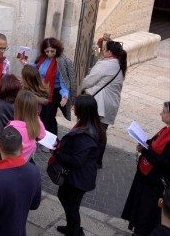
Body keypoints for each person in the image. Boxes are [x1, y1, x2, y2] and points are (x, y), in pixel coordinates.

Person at [51, 96, 105, 236]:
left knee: (72, 205)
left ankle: (75, 231)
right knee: (68, 200)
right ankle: (71, 228)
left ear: (83, 110)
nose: (73, 108)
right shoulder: (93, 126)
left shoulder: (86, 135)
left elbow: (76, 161)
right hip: (81, 175)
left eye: (76, 106)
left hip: (78, 179)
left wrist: (56, 153)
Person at [123, 102, 170, 236]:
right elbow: (153, 143)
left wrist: (146, 151)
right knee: (140, 209)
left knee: (147, 213)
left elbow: (165, 162)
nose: (161, 113)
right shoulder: (165, 129)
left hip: (154, 184)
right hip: (146, 179)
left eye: (164, 112)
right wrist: (145, 143)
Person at [81, 39, 126, 167]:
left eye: (105, 49)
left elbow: (89, 81)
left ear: (110, 52)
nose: (103, 51)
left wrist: (79, 89)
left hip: (101, 104)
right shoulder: (119, 64)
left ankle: (90, 158)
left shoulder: (105, 64)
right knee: (101, 132)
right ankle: (97, 160)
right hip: (112, 104)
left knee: (92, 131)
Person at [32, 37, 76, 132]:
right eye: (47, 51)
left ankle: (52, 140)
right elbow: (35, 67)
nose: (49, 54)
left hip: (54, 92)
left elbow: (64, 81)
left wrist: (65, 95)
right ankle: (42, 136)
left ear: (57, 49)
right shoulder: (42, 58)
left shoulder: (60, 62)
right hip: (43, 91)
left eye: (52, 51)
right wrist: (25, 63)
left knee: (49, 117)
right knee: (42, 115)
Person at [8, 90, 46, 161]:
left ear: (17, 107)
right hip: (26, 160)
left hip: (12, 163)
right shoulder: (37, 124)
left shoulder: (11, 128)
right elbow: (42, 135)